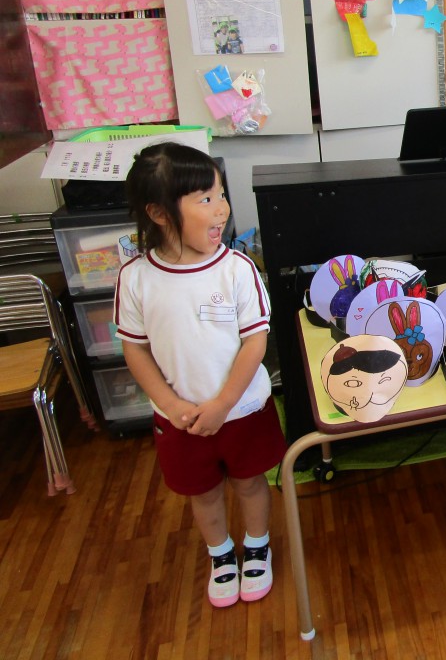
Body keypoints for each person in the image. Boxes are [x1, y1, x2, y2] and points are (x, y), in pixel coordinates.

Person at [114, 142, 285, 607]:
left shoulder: (237, 269)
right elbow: (136, 349)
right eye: (205, 198)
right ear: (160, 213)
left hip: (242, 407)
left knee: (251, 482)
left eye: (221, 194)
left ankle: (256, 545)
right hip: (181, 419)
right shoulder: (135, 278)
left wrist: (223, 404)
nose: (222, 208)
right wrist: (174, 408)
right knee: (203, 492)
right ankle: (221, 553)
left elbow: (255, 343)